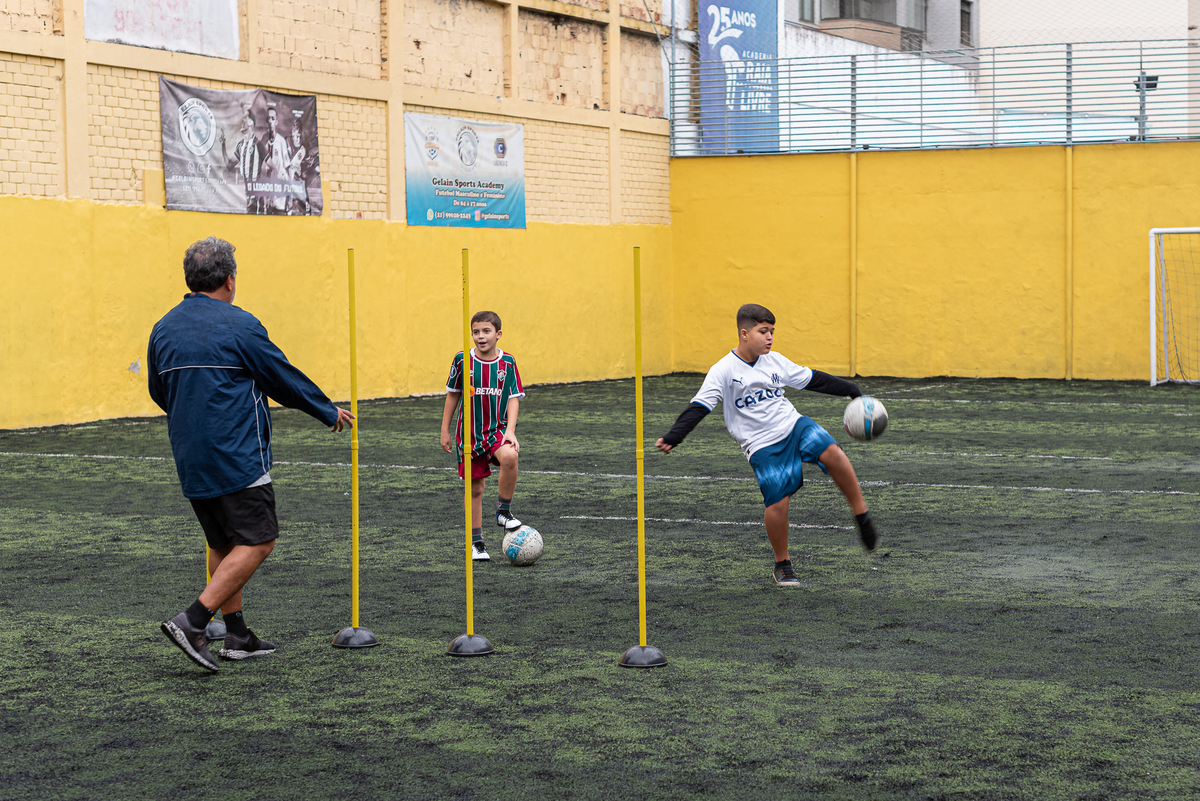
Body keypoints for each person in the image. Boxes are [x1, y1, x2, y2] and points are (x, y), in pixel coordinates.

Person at [147, 237, 355, 672]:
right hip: (236, 452)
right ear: (230, 280)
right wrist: (324, 409)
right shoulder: (239, 324)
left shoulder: (162, 328)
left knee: (222, 540)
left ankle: (237, 635)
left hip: (189, 453)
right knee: (259, 539)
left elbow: (158, 391)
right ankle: (194, 620)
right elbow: (279, 376)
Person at [655, 303, 879, 587]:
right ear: (744, 333)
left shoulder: (775, 361)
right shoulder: (722, 370)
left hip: (792, 425)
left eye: (772, 331)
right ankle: (782, 564)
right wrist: (675, 435)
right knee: (778, 501)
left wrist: (850, 389)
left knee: (832, 452)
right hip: (760, 444)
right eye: (764, 331)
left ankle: (862, 515)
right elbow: (700, 406)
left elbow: (813, 380)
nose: (770, 337)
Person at [439, 311, 525, 561]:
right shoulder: (462, 360)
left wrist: (510, 431)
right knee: (475, 489)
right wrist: (445, 429)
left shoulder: (507, 362)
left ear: (498, 334)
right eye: (476, 332)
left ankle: (503, 511)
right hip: (469, 435)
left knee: (510, 454)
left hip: (498, 429)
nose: (480, 336)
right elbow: (453, 394)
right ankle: (477, 543)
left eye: (486, 331)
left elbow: (513, 397)